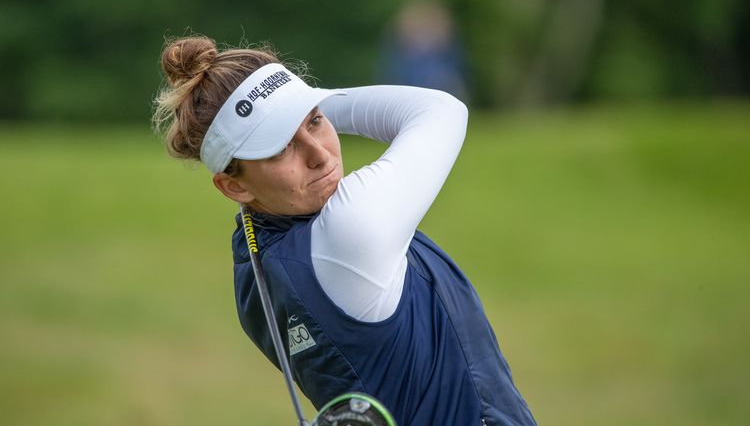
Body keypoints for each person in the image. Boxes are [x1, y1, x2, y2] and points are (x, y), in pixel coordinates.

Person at [153, 35, 536, 426]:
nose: (320, 156)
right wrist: (310, 98)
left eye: (316, 121)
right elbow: (441, 110)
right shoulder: (348, 228)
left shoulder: (252, 267)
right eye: (281, 148)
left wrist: (289, 102)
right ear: (235, 186)